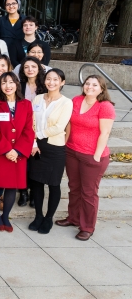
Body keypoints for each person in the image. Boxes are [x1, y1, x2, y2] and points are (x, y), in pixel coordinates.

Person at [56, 75, 115, 240]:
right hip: (72, 152)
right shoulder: (76, 100)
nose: (90, 87)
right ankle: (73, 218)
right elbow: (68, 124)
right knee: (74, 187)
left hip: (92, 156)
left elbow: (105, 133)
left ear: (102, 89)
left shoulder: (105, 106)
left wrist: (96, 156)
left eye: (95, 85)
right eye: (87, 83)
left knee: (88, 193)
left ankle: (87, 227)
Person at [0, 72, 34, 232]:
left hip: (17, 155)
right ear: (0, 86)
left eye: (11, 82)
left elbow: (29, 130)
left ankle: (5, 215)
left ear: (17, 84)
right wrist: (6, 149)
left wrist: (17, 151)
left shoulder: (26, 104)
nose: (8, 86)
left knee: (12, 186)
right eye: (4, 82)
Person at [28, 69, 72, 234]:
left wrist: (37, 135)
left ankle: (48, 218)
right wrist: (33, 142)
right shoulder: (38, 98)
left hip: (54, 148)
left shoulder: (66, 102)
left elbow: (60, 126)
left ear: (62, 82)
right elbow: (31, 122)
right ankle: (38, 216)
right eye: (48, 79)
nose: (51, 82)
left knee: (54, 184)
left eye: (56, 79)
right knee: (37, 182)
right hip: (36, 147)